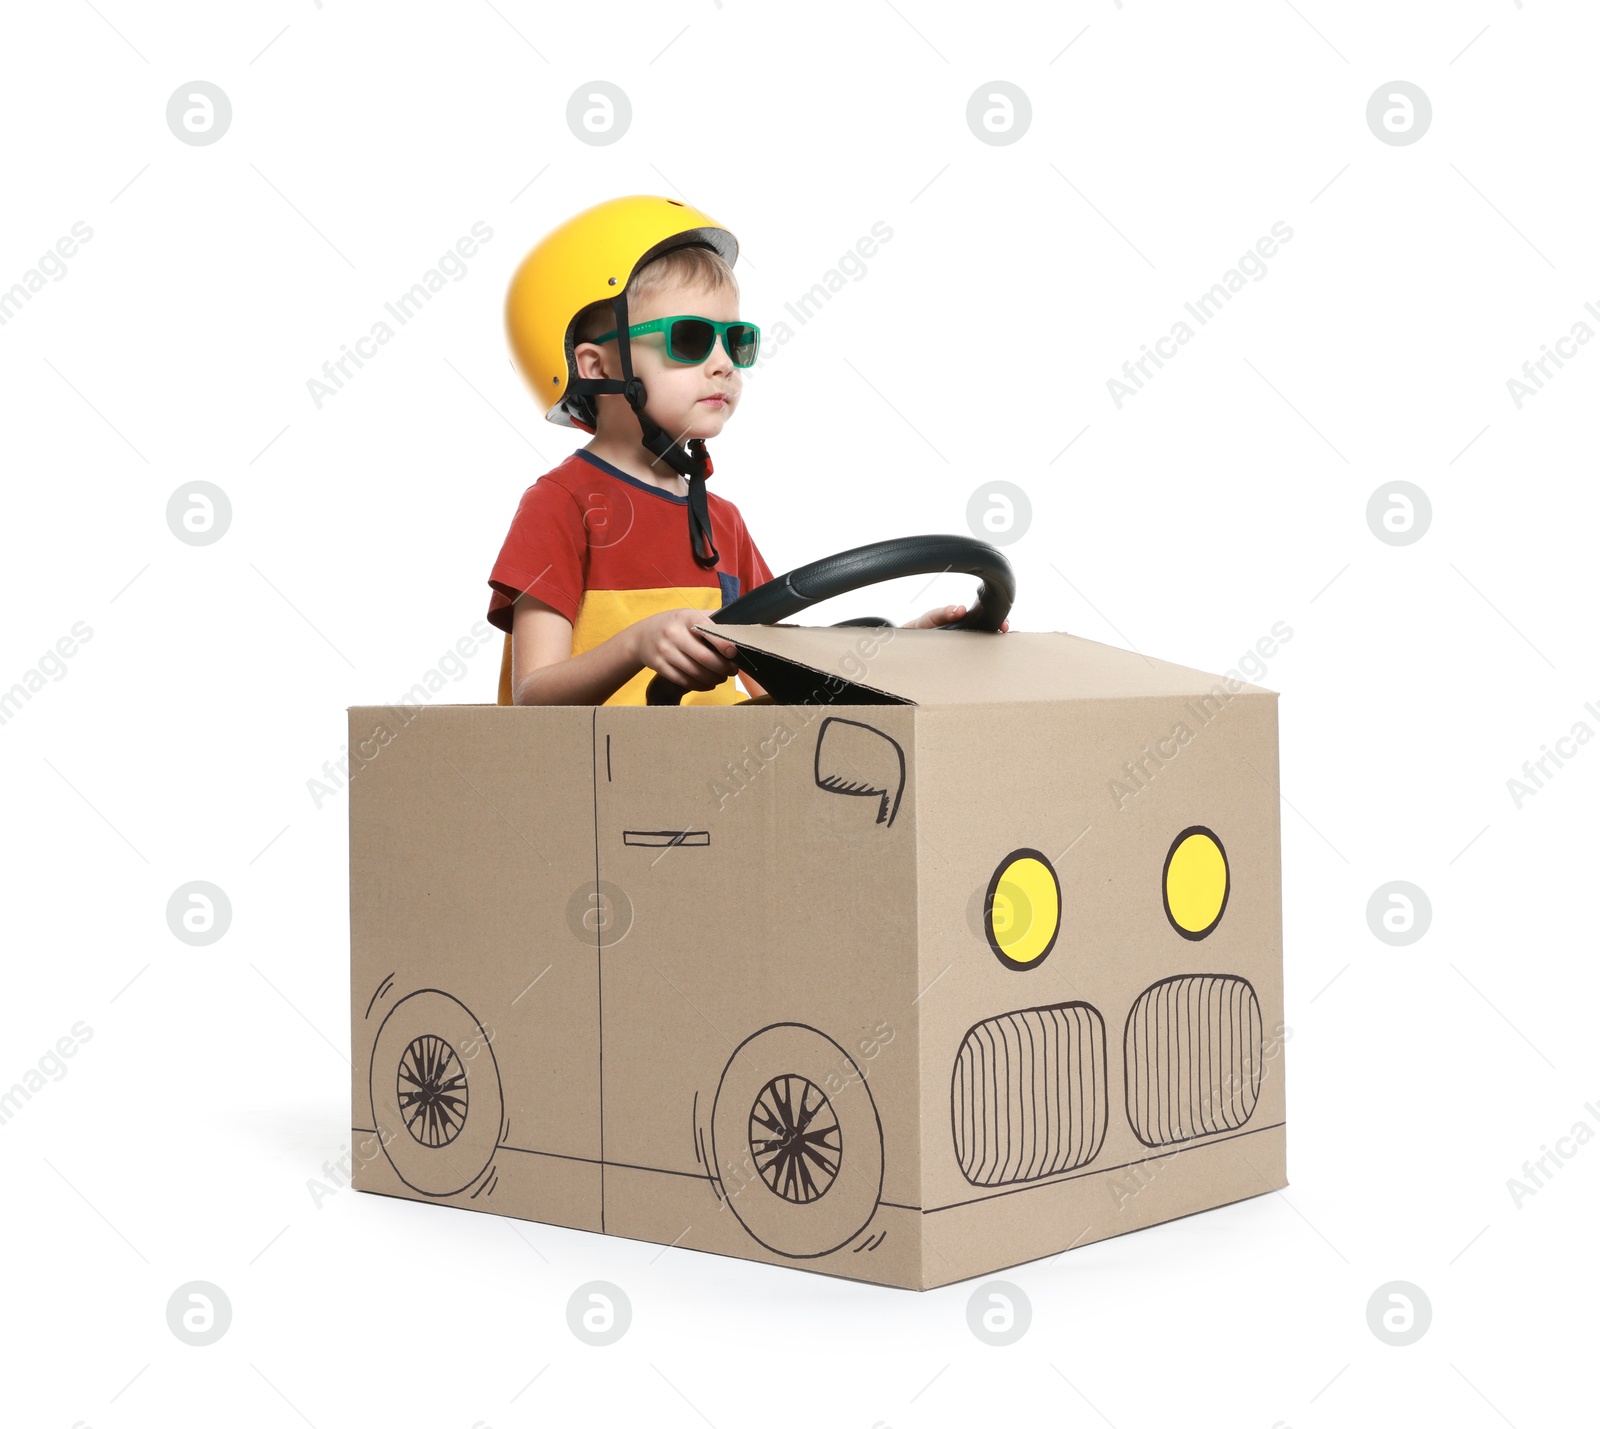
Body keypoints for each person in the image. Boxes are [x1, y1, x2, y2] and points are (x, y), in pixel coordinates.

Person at [488, 195, 988, 707]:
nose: (725, 363)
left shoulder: (722, 523)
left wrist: (909, 648)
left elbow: (783, 681)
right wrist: (637, 643)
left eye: (736, 340)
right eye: (689, 338)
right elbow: (535, 699)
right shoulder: (560, 505)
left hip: (709, 777)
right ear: (596, 368)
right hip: (600, 781)